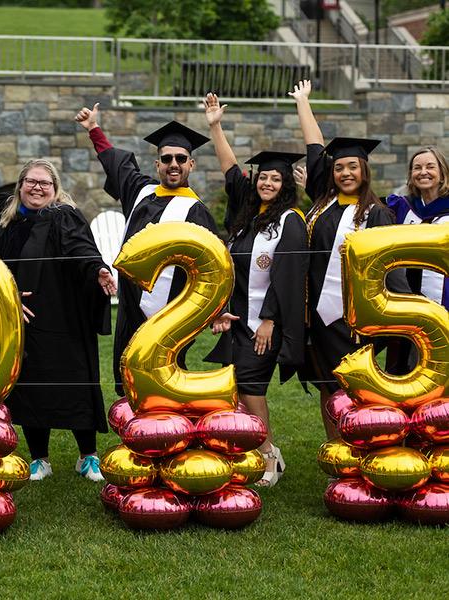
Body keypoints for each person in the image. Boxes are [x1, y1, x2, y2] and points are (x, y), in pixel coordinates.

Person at [289, 80, 406, 439]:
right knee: (328, 386)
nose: (345, 173)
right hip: (319, 319)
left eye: (353, 167)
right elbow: (314, 149)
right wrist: (303, 103)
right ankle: (338, 451)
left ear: (364, 170)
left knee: (360, 389)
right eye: (340, 168)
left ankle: (367, 450)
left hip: (356, 320)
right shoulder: (322, 204)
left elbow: (391, 270)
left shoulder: (376, 213)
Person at [74, 104, 219, 395]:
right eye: (166, 158)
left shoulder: (196, 211)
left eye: (181, 158)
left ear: (192, 164)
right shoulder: (141, 191)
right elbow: (117, 164)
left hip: (170, 312)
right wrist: (93, 128)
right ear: (157, 165)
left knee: (166, 375)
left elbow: (213, 267)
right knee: (128, 375)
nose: (173, 164)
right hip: (130, 306)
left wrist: (218, 311)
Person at [203, 93, 309, 487]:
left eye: (275, 178)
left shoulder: (290, 221)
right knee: (239, 387)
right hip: (238, 321)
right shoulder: (249, 220)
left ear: (285, 185)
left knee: (251, 388)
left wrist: (269, 319)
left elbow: (289, 275)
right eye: (263, 176)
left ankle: (268, 456)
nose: (267, 181)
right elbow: (232, 172)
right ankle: (257, 450)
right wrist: (215, 126)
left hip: (265, 322)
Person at [0, 159, 116, 482]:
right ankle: (39, 459)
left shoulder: (63, 216)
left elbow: (80, 248)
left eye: (44, 183)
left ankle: (87, 456)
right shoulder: (8, 225)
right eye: (31, 182)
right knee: (32, 385)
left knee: (77, 381)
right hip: (26, 319)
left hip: (66, 315)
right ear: (20, 186)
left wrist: (97, 269)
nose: (37, 188)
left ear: (55, 188)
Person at [384, 146, 449, 373]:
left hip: (444, 304)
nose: (424, 172)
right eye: (417, 167)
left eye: (430, 166)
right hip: (406, 305)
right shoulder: (401, 207)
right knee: (407, 370)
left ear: (442, 172)